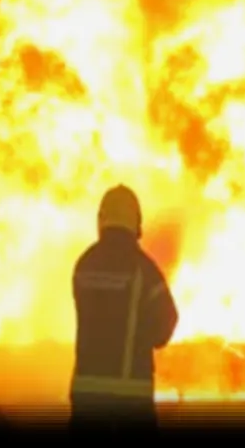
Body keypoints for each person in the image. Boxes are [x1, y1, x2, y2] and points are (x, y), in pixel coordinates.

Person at [69, 185, 179, 435]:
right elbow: (166, 323)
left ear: (102, 219)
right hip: (130, 398)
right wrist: (143, 336)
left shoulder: (84, 264)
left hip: (86, 397)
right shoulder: (143, 268)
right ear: (135, 222)